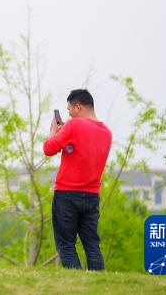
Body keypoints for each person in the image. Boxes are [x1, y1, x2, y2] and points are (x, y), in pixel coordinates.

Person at [43, 88, 112, 270]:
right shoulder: (106, 132)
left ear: (78, 107)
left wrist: (53, 132)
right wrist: (66, 131)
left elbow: (48, 149)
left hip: (67, 194)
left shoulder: (74, 126)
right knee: (92, 244)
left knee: (66, 245)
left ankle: (77, 282)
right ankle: (98, 282)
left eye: (69, 110)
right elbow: (81, 147)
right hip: (92, 196)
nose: (69, 115)